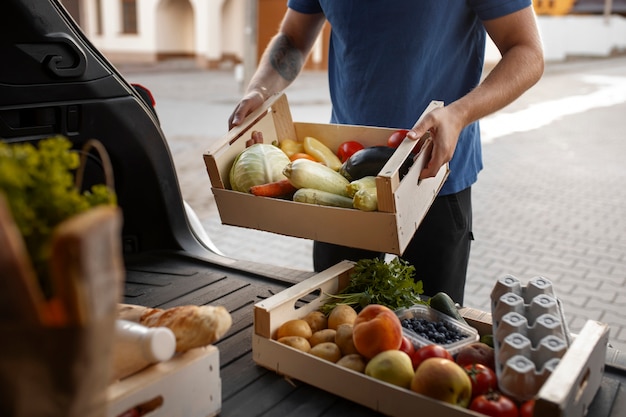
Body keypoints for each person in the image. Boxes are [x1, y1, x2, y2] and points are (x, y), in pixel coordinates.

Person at [228, 1, 544, 305]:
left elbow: (527, 51)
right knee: (335, 325)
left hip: (434, 177)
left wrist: (459, 114)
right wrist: (261, 89)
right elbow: (294, 38)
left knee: (430, 330)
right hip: (340, 175)